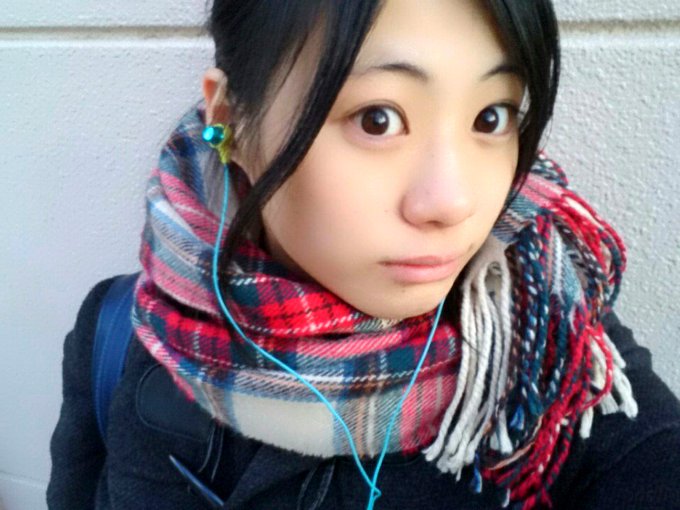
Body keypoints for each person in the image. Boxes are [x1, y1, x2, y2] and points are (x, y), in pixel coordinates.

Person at [47, 1, 680, 509]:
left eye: (491, 118)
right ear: (231, 121)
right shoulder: (118, 332)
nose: (451, 203)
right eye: (377, 119)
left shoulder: (554, 343)